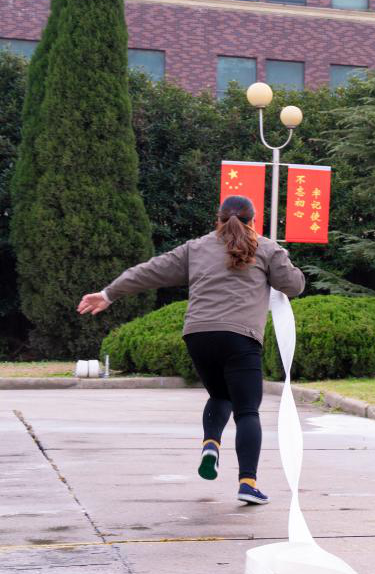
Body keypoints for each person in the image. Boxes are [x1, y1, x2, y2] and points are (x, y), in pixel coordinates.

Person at [77, 196, 305, 505]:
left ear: (218, 219)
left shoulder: (195, 248)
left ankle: (211, 443)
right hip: (241, 338)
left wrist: (109, 293)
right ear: (254, 220)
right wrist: (281, 257)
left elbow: (150, 271)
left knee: (220, 395)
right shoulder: (265, 248)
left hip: (198, 336)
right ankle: (248, 483)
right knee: (247, 410)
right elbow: (293, 285)